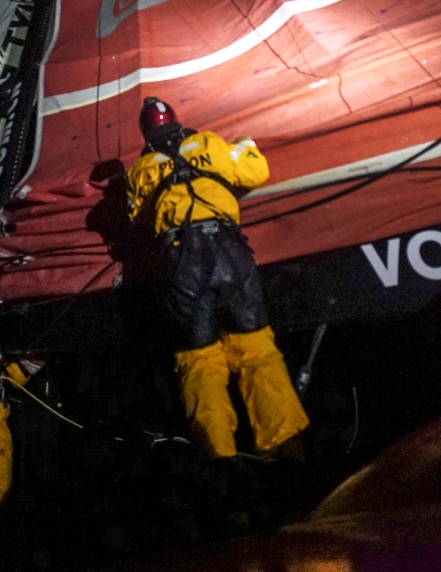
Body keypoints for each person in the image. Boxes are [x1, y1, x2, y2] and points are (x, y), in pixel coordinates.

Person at [126, 97, 309, 461]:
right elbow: (255, 171)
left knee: (199, 362)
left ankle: (218, 456)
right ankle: (284, 447)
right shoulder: (207, 144)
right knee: (256, 350)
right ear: (177, 123)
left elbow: (139, 224)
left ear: (146, 132)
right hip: (228, 249)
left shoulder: (140, 170)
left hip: (182, 264)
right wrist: (245, 145)